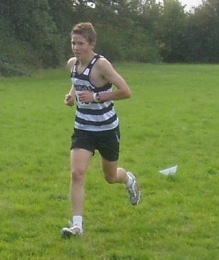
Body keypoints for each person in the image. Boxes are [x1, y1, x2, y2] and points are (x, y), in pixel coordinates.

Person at [61, 22, 140, 237]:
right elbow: (77, 82)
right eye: (73, 43)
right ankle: (77, 225)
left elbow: (126, 91)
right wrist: (72, 96)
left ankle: (129, 179)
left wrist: (96, 97)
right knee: (77, 173)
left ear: (92, 43)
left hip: (106, 128)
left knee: (110, 176)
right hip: (83, 128)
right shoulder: (72, 64)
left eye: (80, 43)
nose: (76, 47)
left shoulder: (102, 65)